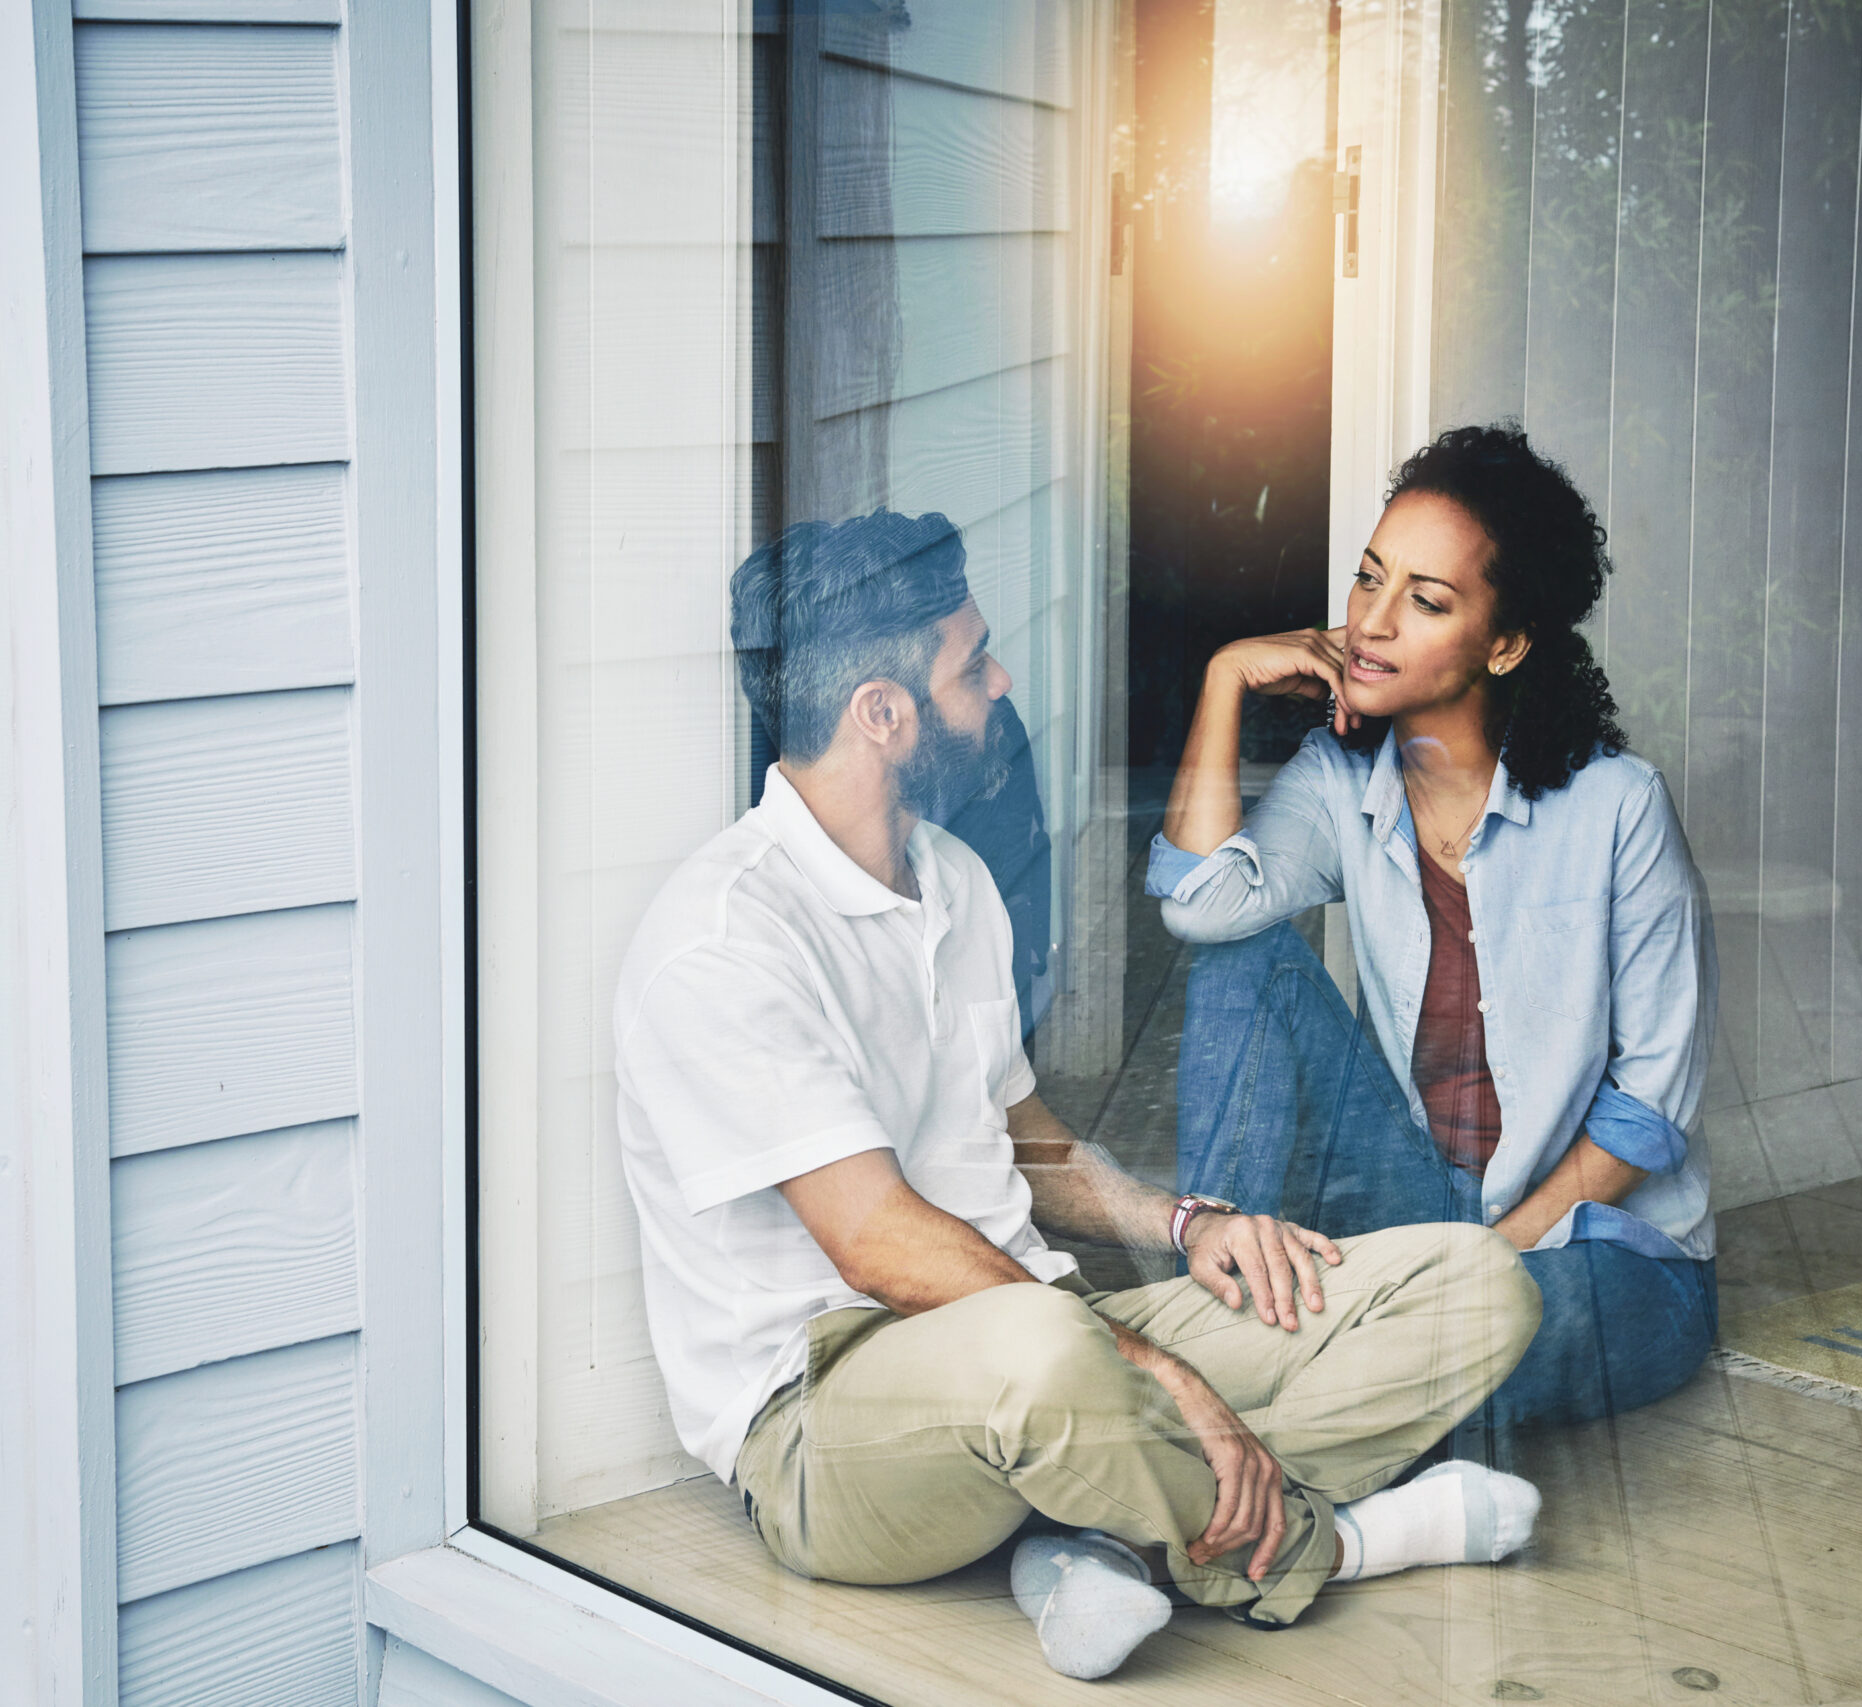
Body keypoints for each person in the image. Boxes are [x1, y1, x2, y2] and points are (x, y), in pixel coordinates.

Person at [614, 508, 1545, 1680]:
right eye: (972, 664)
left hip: (1039, 1326)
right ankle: (1331, 1544)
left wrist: (1188, 1224)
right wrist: (1151, 1370)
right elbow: (878, 1248)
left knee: (1477, 1286)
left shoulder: (950, 879)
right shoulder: (723, 943)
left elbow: (1027, 1147)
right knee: (1051, 1358)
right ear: (882, 716)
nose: (1002, 682)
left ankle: (1095, 1536)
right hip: (828, 1418)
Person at [1152, 424, 1719, 1445]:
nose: (1369, 624)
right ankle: (1218, 1279)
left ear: (1504, 644)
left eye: (1425, 601)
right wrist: (1224, 678)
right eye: (1369, 579)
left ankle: (1230, 1447)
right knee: (1245, 957)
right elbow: (1201, 907)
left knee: (1480, 1342)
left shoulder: (1617, 808)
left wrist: (1485, 1259)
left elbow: (1650, 1107)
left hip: (1593, 1251)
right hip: (1417, 1202)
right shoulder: (1341, 783)